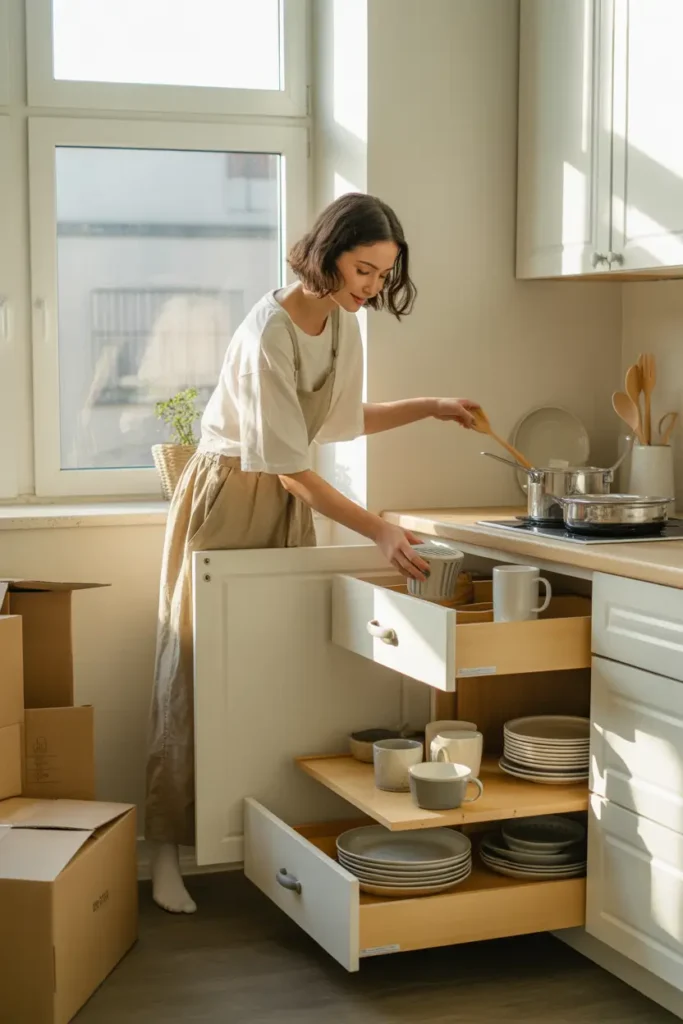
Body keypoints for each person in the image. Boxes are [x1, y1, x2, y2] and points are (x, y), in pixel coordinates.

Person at [145, 192, 480, 913]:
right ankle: (167, 848)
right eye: (363, 270)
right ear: (325, 255)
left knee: (269, 667)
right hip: (230, 493)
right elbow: (291, 467)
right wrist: (381, 530)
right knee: (193, 672)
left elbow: (334, 423)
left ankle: (253, 841)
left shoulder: (342, 325)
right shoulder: (268, 329)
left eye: (382, 276)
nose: (371, 288)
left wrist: (429, 406)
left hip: (285, 497)